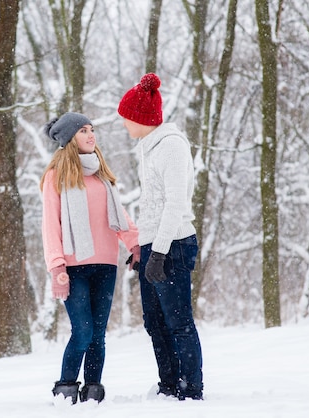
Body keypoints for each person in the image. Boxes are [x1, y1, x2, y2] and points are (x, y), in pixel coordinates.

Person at [40, 112, 140, 404]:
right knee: (82, 331)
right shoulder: (55, 176)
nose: (90, 135)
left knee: (98, 334)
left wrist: (134, 244)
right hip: (73, 267)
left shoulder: (101, 175)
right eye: (83, 130)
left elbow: (119, 216)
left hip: (106, 264)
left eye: (91, 129)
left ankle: (93, 392)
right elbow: (51, 224)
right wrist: (57, 265)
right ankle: (66, 389)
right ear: (71, 138)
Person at [117, 73, 204, 401]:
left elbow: (175, 204)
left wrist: (160, 252)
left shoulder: (171, 146)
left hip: (175, 245)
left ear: (141, 118)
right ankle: (169, 385)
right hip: (155, 244)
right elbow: (152, 204)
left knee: (178, 322)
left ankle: (191, 389)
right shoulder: (148, 147)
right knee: (154, 322)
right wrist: (142, 247)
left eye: (127, 118)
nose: (124, 123)